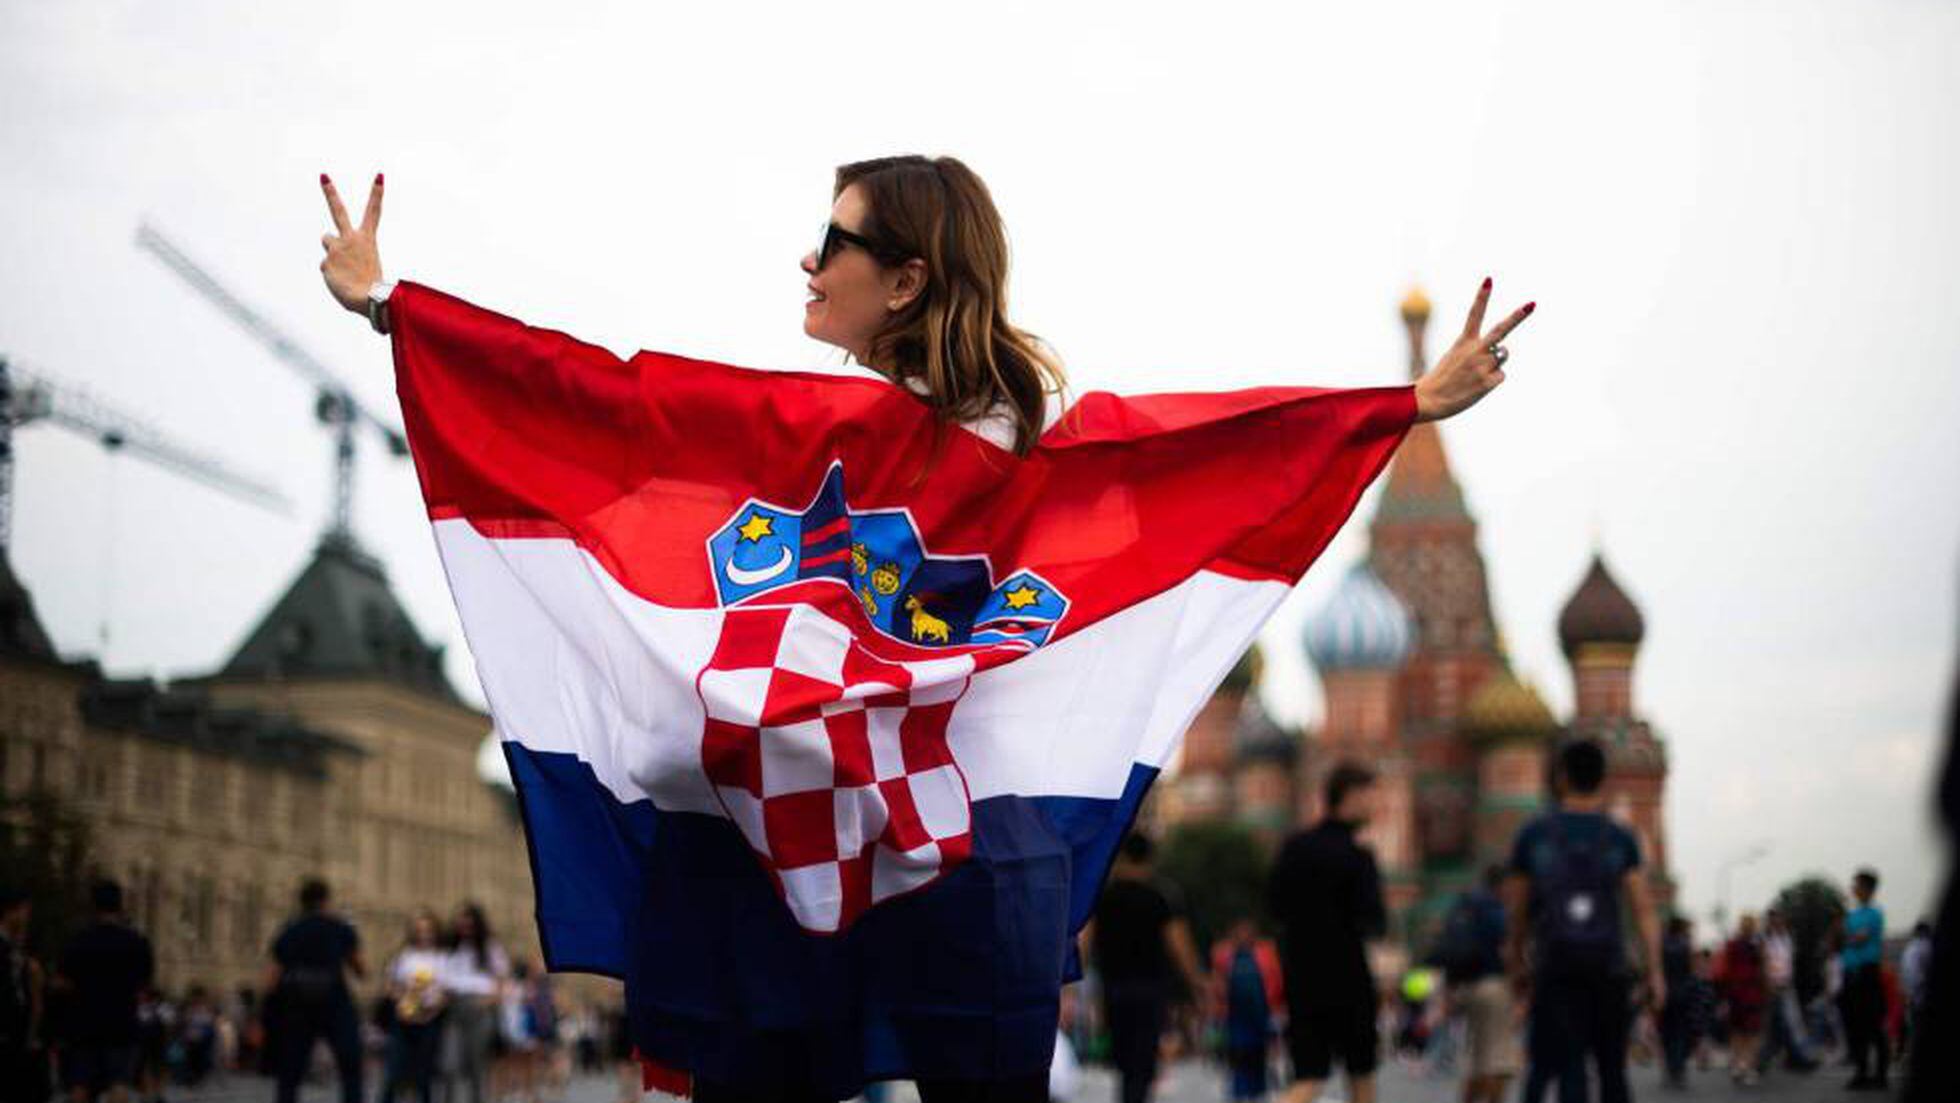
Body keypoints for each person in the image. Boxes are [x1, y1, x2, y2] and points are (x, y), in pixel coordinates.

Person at [314, 159, 1528, 1101]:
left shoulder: (869, 446)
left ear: (903, 280)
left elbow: (607, 411)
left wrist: (1397, 407)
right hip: (927, 862)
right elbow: (610, 396)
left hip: (828, 862)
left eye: (834, 237)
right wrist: (393, 312)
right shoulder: (967, 449)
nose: (807, 256)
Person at [1502, 739, 1661, 1103]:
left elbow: (1518, 910)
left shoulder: (1535, 834)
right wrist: (1655, 970)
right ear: (1603, 779)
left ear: (1560, 778)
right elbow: (1643, 909)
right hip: (1608, 964)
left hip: (1557, 964)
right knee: (1612, 1069)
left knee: (1570, 1066)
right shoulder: (1620, 836)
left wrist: (1515, 960)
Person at [1269, 762, 1389, 1103]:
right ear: (1349, 796)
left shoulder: (1295, 847)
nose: (1374, 806)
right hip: (1348, 977)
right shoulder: (1358, 857)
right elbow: (1374, 921)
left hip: (1302, 977)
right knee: (1361, 1077)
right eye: (1369, 797)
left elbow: (1275, 906)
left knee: (1308, 1077)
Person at [1088, 833, 1205, 1103]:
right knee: (1142, 1062)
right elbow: (1180, 946)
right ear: (1149, 859)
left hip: (1113, 989)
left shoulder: (1103, 895)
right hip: (1150, 989)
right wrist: (1198, 983)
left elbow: (1085, 940)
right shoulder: (1161, 896)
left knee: (1125, 1062)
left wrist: (1070, 984)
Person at [54, 879, 154, 1103]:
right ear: (120, 906)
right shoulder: (137, 942)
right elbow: (144, 989)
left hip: (83, 1024)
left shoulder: (78, 940)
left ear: (93, 906)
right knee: (118, 1085)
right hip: (122, 1024)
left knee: (80, 1086)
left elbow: (62, 983)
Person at [264, 878, 364, 1103]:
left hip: (297, 1004)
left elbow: (273, 973)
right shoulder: (340, 928)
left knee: (290, 1071)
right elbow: (359, 967)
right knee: (350, 1065)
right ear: (326, 901)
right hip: (334, 1003)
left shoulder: (290, 930)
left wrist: (269, 1006)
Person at [1428, 865, 1517, 1103]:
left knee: (1478, 1061)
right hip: (1492, 985)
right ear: (1504, 883)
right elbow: (1508, 949)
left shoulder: (1463, 905)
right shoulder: (1495, 910)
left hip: (1462, 986)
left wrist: (1448, 992)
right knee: (1498, 1062)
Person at [439, 903, 508, 1103]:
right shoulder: (450, 947)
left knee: (477, 1067)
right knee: (448, 1064)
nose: (464, 926)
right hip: (453, 1008)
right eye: (461, 922)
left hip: (479, 1008)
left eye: (469, 922)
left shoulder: (490, 947)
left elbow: (502, 980)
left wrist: (488, 1001)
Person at [1209, 918, 1284, 1103]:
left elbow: (1276, 982)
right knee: (1239, 1060)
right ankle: (1241, 1093)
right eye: (1240, 932)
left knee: (1260, 1059)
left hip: (1262, 1016)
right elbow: (1217, 986)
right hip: (1235, 1020)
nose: (1244, 936)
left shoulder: (1266, 952)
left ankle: (1258, 1093)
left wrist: (1278, 1011)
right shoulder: (1223, 954)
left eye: (1248, 932)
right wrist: (1216, 1014)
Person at [381, 911, 450, 1103]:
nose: (423, 934)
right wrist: (399, 1000)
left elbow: (446, 992)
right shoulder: (403, 956)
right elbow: (389, 985)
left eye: (427, 930)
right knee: (393, 1072)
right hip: (403, 1018)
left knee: (424, 1076)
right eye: (419, 930)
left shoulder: (442, 958)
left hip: (429, 1020)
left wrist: (430, 1012)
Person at [1840, 868, 1889, 1090]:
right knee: (1855, 1026)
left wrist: (1847, 937)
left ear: (1868, 888)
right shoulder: (1851, 915)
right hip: (1850, 974)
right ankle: (1861, 1072)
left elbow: (1859, 939)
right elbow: (1842, 938)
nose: (1853, 889)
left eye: (1857, 885)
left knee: (1873, 1024)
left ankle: (1880, 1075)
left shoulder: (1875, 913)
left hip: (1868, 973)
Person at [0, 883, 49, 1103]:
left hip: (16, 1039)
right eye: (24, 910)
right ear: (10, 911)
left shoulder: (19, 951)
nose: (27, 917)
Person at [1754, 908, 1816, 1075]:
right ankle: (1762, 1060)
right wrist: (1767, 983)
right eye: (1774, 919)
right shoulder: (1764, 938)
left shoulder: (1787, 938)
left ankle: (1795, 1058)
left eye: (1780, 919)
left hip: (1786, 986)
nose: (1777, 922)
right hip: (1770, 987)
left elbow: (1789, 962)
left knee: (1790, 1024)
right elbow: (1761, 962)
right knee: (1770, 1026)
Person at [1718, 913, 1767, 1086]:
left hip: (1735, 992)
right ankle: (1749, 1068)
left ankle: (1737, 1065)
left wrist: (1724, 994)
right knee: (1752, 1033)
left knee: (1737, 1031)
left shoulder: (1732, 945)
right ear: (1754, 927)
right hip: (1752, 992)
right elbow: (1763, 970)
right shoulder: (1757, 946)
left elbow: (1724, 971)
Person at [1657, 917, 1695, 1089]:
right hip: (1683, 993)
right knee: (1680, 1031)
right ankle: (1679, 1067)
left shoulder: (1661, 945)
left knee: (1666, 1032)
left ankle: (1670, 1067)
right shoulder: (1685, 945)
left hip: (1665, 992)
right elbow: (1690, 970)